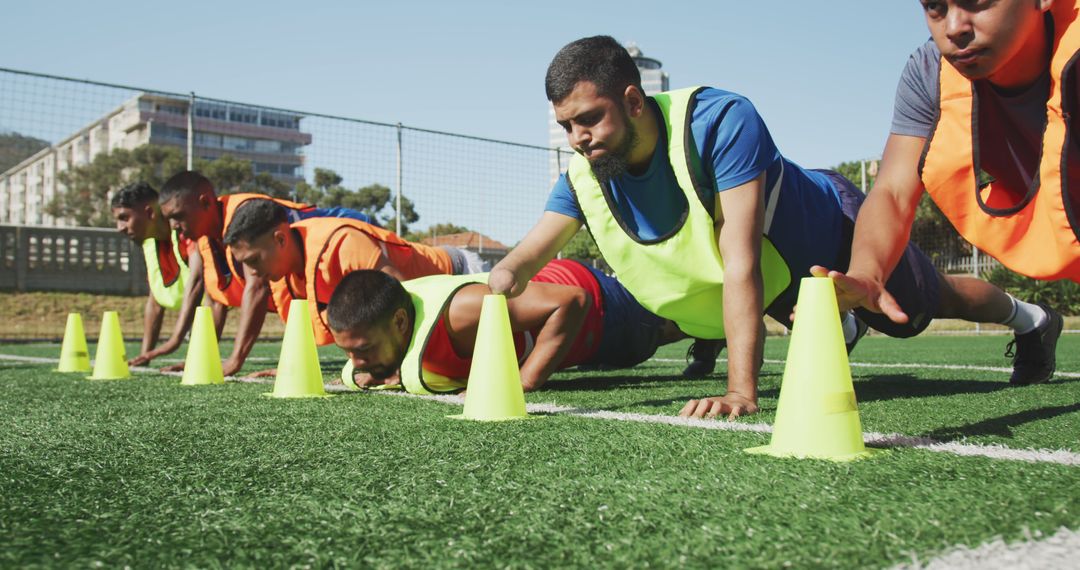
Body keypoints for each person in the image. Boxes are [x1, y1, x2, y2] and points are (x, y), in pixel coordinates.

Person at [488, 35, 1056, 420]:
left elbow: (740, 259)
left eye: (589, 119)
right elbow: (531, 253)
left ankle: (1033, 318)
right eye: (566, 125)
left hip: (831, 227)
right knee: (755, 294)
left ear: (634, 101)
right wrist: (501, 280)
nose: (577, 138)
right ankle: (834, 323)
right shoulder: (586, 174)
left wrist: (743, 390)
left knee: (925, 304)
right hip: (779, 281)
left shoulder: (719, 121)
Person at [815, 0, 1066, 386]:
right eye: (934, 7)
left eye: (978, 2)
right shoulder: (929, 71)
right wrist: (867, 271)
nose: (953, 27)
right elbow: (894, 191)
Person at [326, 259, 684, 393]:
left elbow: (571, 301)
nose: (356, 362)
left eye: (364, 350)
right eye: (349, 352)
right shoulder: (383, 327)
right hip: (568, 327)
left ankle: (715, 328)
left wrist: (524, 382)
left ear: (400, 322)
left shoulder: (460, 314)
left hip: (594, 304)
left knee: (667, 327)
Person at [157, 170, 377, 376]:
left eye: (179, 215)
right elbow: (216, 300)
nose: (174, 226)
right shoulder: (205, 238)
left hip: (356, 230)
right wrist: (203, 357)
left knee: (370, 304)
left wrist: (235, 360)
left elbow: (258, 288)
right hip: (321, 268)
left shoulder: (243, 217)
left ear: (204, 202)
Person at [224, 198, 484, 348]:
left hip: (458, 273)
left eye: (254, 260)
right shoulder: (289, 273)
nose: (252, 272)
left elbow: (403, 298)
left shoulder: (342, 242)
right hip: (433, 292)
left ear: (280, 239)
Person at [110, 181, 225, 368]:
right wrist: (145, 356)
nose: (119, 227)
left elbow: (208, 293)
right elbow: (155, 302)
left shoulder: (190, 231)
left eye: (124, 217)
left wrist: (194, 357)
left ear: (149, 213)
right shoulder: (150, 244)